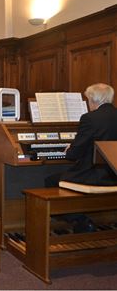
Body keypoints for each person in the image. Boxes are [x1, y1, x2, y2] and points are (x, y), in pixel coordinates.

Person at [45, 83, 117, 232]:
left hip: (96, 176)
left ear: (93, 99)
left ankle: (80, 220)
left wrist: (69, 150)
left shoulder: (90, 118)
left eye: (88, 99)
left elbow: (75, 153)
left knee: (51, 180)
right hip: (114, 174)